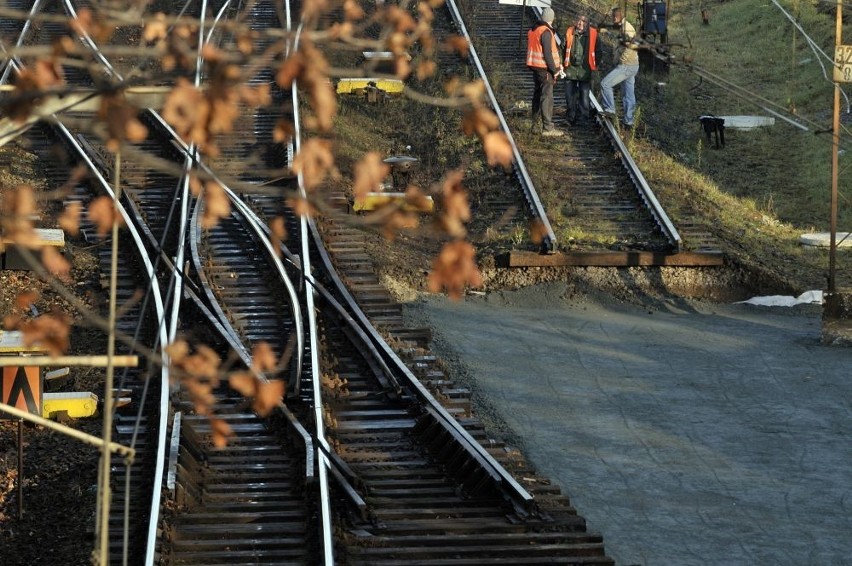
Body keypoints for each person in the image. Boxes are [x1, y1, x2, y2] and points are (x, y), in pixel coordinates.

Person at [599, 6, 640, 127]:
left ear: (616, 17)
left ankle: (610, 110)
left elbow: (631, 47)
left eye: (612, 17)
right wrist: (607, 32)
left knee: (605, 84)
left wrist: (621, 60)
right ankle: (629, 121)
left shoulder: (626, 29)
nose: (612, 19)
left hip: (626, 65)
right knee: (628, 94)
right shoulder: (625, 27)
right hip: (632, 65)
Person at [526, 7, 564, 137]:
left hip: (535, 67)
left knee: (537, 95)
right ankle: (548, 128)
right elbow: (547, 54)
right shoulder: (546, 32)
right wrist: (555, 70)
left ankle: (534, 124)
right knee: (547, 97)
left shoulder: (533, 29)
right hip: (544, 69)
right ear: (551, 19)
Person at [562, 14, 600, 125]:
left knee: (584, 94)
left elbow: (599, 51)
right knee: (569, 95)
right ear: (575, 22)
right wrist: (560, 64)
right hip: (570, 68)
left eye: (584, 22)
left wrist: (595, 65)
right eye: (579, 21)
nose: (580, 24)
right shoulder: (569, 31)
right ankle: (570, 118)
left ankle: (584, 118)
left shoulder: (593, 34)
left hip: (585, 69)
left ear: (588, 23)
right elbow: (562, 48)